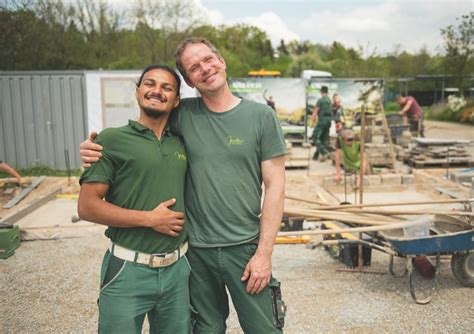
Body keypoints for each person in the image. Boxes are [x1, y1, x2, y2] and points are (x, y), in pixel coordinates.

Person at [80, 37, 287, 333]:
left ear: (221, 61)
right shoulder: (182, 114)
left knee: (264, 328)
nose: (204, 68)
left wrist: (264, 255)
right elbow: (143, 128)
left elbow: (276, 187)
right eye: (194, 67)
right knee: (205, 329)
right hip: (195, 253)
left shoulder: (261, 117)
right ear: (189, 80)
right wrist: (91, 149)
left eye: (208, 59)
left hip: (244, 248)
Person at [78, 65, 191, 334]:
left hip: (177, 270)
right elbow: (87, 207)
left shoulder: (182, 143)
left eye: (166, 87)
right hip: (128, 268)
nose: (156, 91)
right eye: (149, 84)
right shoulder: (111, 139)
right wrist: (150, 219)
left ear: (176, 101)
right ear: (138, 91)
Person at [311, 86, 333, 161]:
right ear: (327, 92)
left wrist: (312, 121)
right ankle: (315, 156)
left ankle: (325, 152)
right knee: (322, 139)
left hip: (322, 120)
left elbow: (315, 111)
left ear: (321, 92)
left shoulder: (320, 100)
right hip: (329, 121)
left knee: (315, 137)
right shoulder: (329, 101)